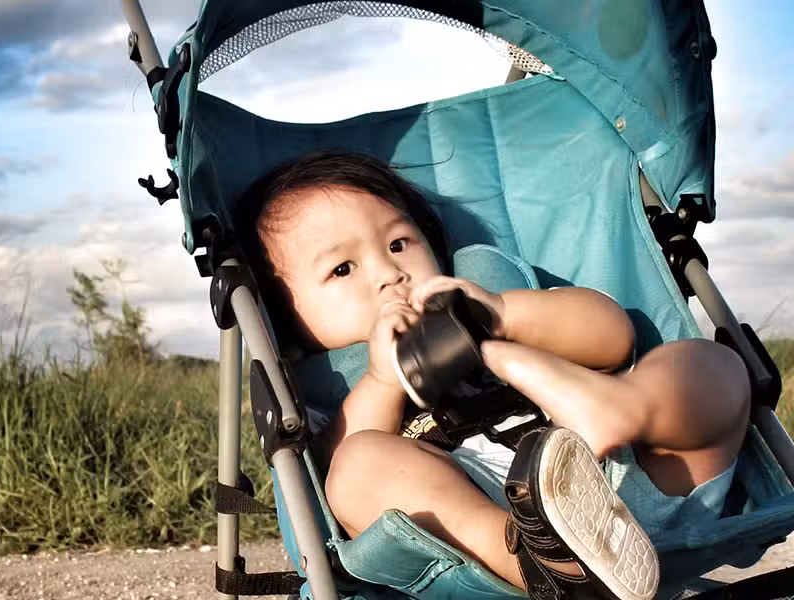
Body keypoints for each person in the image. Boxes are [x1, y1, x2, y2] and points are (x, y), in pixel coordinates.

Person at [233, 151, 751, 598]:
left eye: (398, 244)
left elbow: (615, 335)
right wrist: (384, 381)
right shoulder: (336, 392)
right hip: (511, 534)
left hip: (641, 474)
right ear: (289, 324)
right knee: (357, 468)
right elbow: (333, 493)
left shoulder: (486, 300)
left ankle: (622, 410)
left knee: (708, 363)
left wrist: (503, 317)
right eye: (342, 269)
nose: (390, 273)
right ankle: (549, 567)